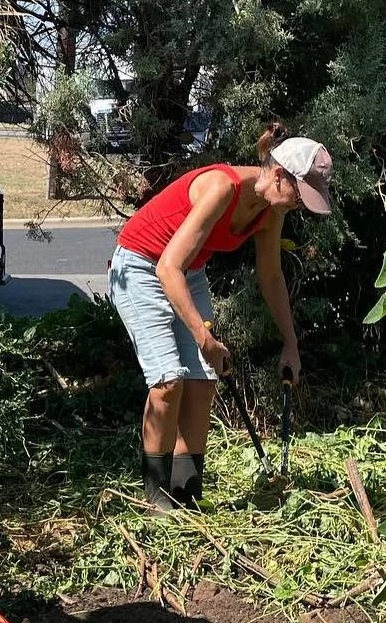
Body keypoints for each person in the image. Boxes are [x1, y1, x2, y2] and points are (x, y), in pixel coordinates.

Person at [109, 122, 333, 511]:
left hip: (187, 271)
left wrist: (291, 345)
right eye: (300, 195)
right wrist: (204, 337)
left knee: (202, 382)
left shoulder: (270, 209)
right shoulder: (222, 188)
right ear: (280, 175)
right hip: (142, 265)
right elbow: (166, 268)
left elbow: (271, 275)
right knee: (168, 383)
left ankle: (186, 495)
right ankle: (156, 502)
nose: (301, 205)